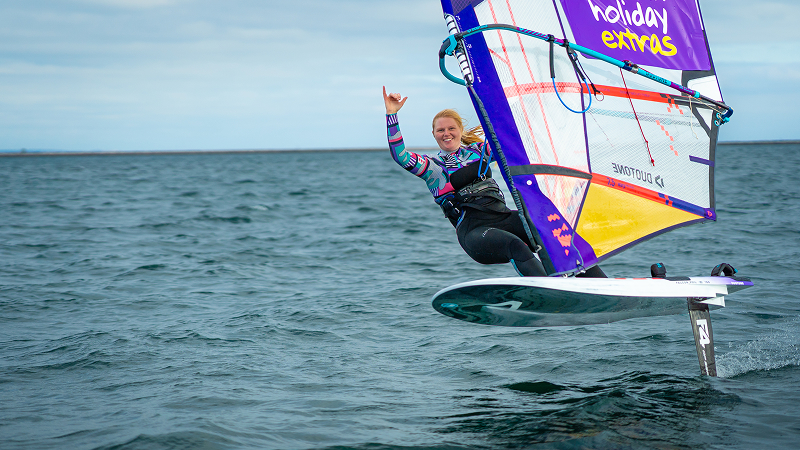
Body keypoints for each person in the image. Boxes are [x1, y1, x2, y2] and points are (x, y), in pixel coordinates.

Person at [383, 86, 606, 278]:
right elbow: (400, 155)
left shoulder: (479, 151)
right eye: (440, 130)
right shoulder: (432, 169)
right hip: (475, 232)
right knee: (515, 245)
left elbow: (506, 134)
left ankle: (599, 283)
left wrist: (525, 99)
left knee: (552, 230)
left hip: (504, 217)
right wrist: (392, 114)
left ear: (460, 131)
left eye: (451, 128)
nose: (446, 133)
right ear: (433, 134)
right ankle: (553, 290)